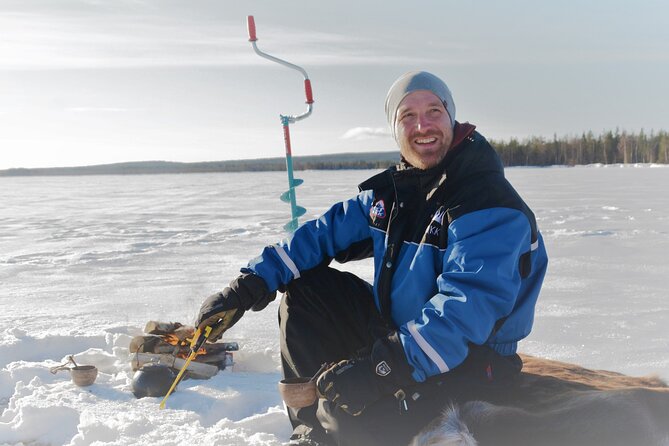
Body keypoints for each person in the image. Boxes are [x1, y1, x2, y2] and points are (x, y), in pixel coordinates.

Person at [195, 71, 548, 446]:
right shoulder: (397, 193)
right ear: (395, 129)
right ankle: (308, 434)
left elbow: (464, 313)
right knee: (308, 290)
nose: (422, 125)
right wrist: (250, 284)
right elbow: (322, 235)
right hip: (401, 336)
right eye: (407, 116)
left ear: (452, 118)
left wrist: (381, 369)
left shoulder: (486, 203)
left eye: (433, 111)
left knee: (348, 417)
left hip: (472, 363)